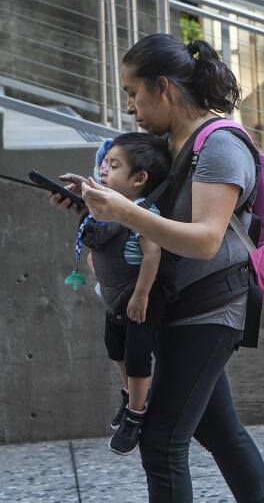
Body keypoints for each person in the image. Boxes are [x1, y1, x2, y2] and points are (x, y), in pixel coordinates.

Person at [51, 34, 264, 502]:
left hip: (211, 306)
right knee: (219, 432)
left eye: (133, 92)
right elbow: (147, 216)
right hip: (178, 303)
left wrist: (124, 211)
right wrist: (94, 203)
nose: (130, 106)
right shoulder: (168, 141)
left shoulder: (220, 146)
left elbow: (206, 238)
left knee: (160, 442)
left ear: (165, 88)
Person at [79, 132, 170, 455]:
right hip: (114, 298)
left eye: (113, 165)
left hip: (138, 300)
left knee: (136, 356)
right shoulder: (108, 207)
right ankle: (127, 394)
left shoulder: (142, 212)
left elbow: (153, 254)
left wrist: (142, 294)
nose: (104, 169)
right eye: (104, 163)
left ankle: (136, 413)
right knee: (114, 347)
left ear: (139, 178)